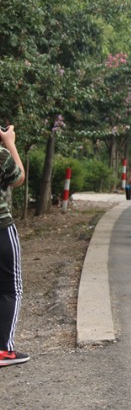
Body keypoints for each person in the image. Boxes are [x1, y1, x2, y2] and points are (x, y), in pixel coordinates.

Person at [0, 125, 28, 367]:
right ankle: (4, 351)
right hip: (1, 228)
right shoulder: (0, 154)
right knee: (11, 288)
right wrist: (10, 142)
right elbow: (18, 177)